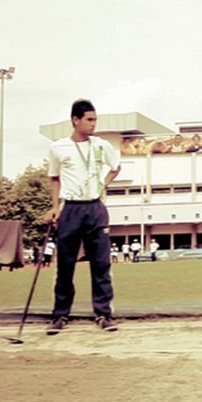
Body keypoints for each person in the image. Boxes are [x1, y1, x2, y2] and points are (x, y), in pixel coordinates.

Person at [44, 99, 122, 335]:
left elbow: (116, 167)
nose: (93, 124)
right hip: (71, 209)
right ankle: (60, 315)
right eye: (89, 119)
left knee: (101, 264)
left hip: (95, 208)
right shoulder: (58, 147)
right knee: (65, 265)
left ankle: (104, 314)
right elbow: (54, 178)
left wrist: (102, 185)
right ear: (75, 120)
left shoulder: (101, 145)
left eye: (95, 119)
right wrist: (55, 207)